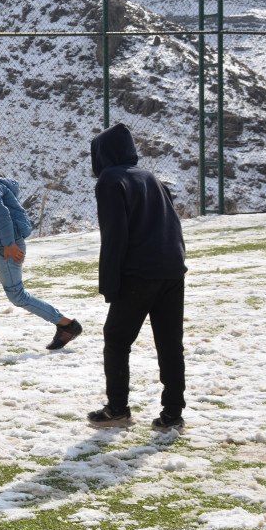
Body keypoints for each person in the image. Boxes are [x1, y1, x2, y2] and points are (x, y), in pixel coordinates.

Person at [87, 123, 187, 431]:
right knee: (170, 343)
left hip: (139, 274)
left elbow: (114, 236)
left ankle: (117, 409)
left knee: (116, 339)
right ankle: (172, 413)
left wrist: (110, 285)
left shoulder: (110, 180)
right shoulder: (150, 177)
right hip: (172, 268)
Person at [0, 138, 82, 354]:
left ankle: (67, 325)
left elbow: (2, 216)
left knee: (17, 296)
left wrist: (9, 245)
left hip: (6, 247)